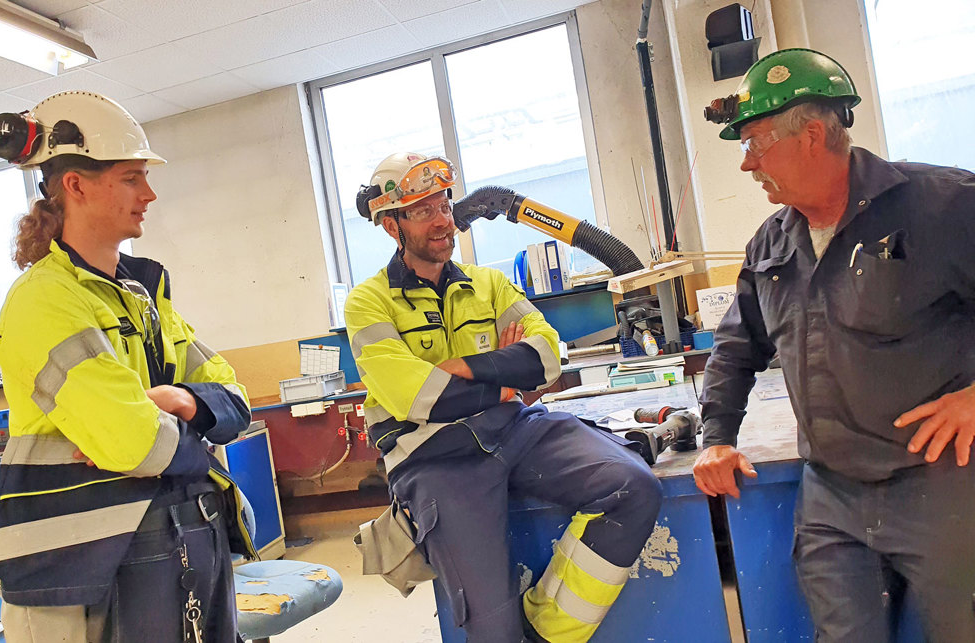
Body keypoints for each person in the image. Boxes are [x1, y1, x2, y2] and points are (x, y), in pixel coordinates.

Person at [694, 48, 975, 642]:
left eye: (755, 144)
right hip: (832, 498)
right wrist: (716, 437)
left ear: (813, 135)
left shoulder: (942, 205)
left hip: (941, 483)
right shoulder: (773, 242)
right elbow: (735, 348)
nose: (747, 165)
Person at [344, 152, 663, 642]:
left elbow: (547, 356)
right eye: (422, 210)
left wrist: (468, 370)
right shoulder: (369, 302)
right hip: (434, 458)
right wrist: (508, 376)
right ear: (392, 226)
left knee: (633, 487)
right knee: (493, 633)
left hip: (517, 430)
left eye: (444, 205)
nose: (443, 221)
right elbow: (421, 398)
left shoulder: (489, 283)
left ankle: (543, 633)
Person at [0, 91, 256, 642]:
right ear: (77, 185)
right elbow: (138, 443)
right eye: (132, 178)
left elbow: (235, 400)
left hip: (183, 536)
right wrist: (189, 422)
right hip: (90, 568)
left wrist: (179, 402)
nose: (149, 194)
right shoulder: (44, 301)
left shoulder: (142, 292)